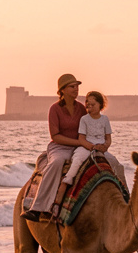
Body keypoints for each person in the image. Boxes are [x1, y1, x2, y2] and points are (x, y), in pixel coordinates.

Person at [22, 73, 88, 222]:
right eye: (72, 86)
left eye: (77, 86)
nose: (76, 89)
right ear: (62, 90)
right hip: (59, 147)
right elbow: (55, 136)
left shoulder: (82, 108)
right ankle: (38, 208)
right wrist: (80, 143)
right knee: (57, 162)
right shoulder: (55, 109)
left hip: (79, 147)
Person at [63, 90, 126, 190]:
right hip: (86, 147)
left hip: (101, 148)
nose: (90, 106)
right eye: (88, 104)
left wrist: (105, 147)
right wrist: (92, 147)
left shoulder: (105, 119)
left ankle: (123, 189)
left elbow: (108, 138)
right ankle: (68, 179)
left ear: (100, 105)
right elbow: (81, 138)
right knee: (78, 159)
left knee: (115, 163)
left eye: (93, 104)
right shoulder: (84, 119)